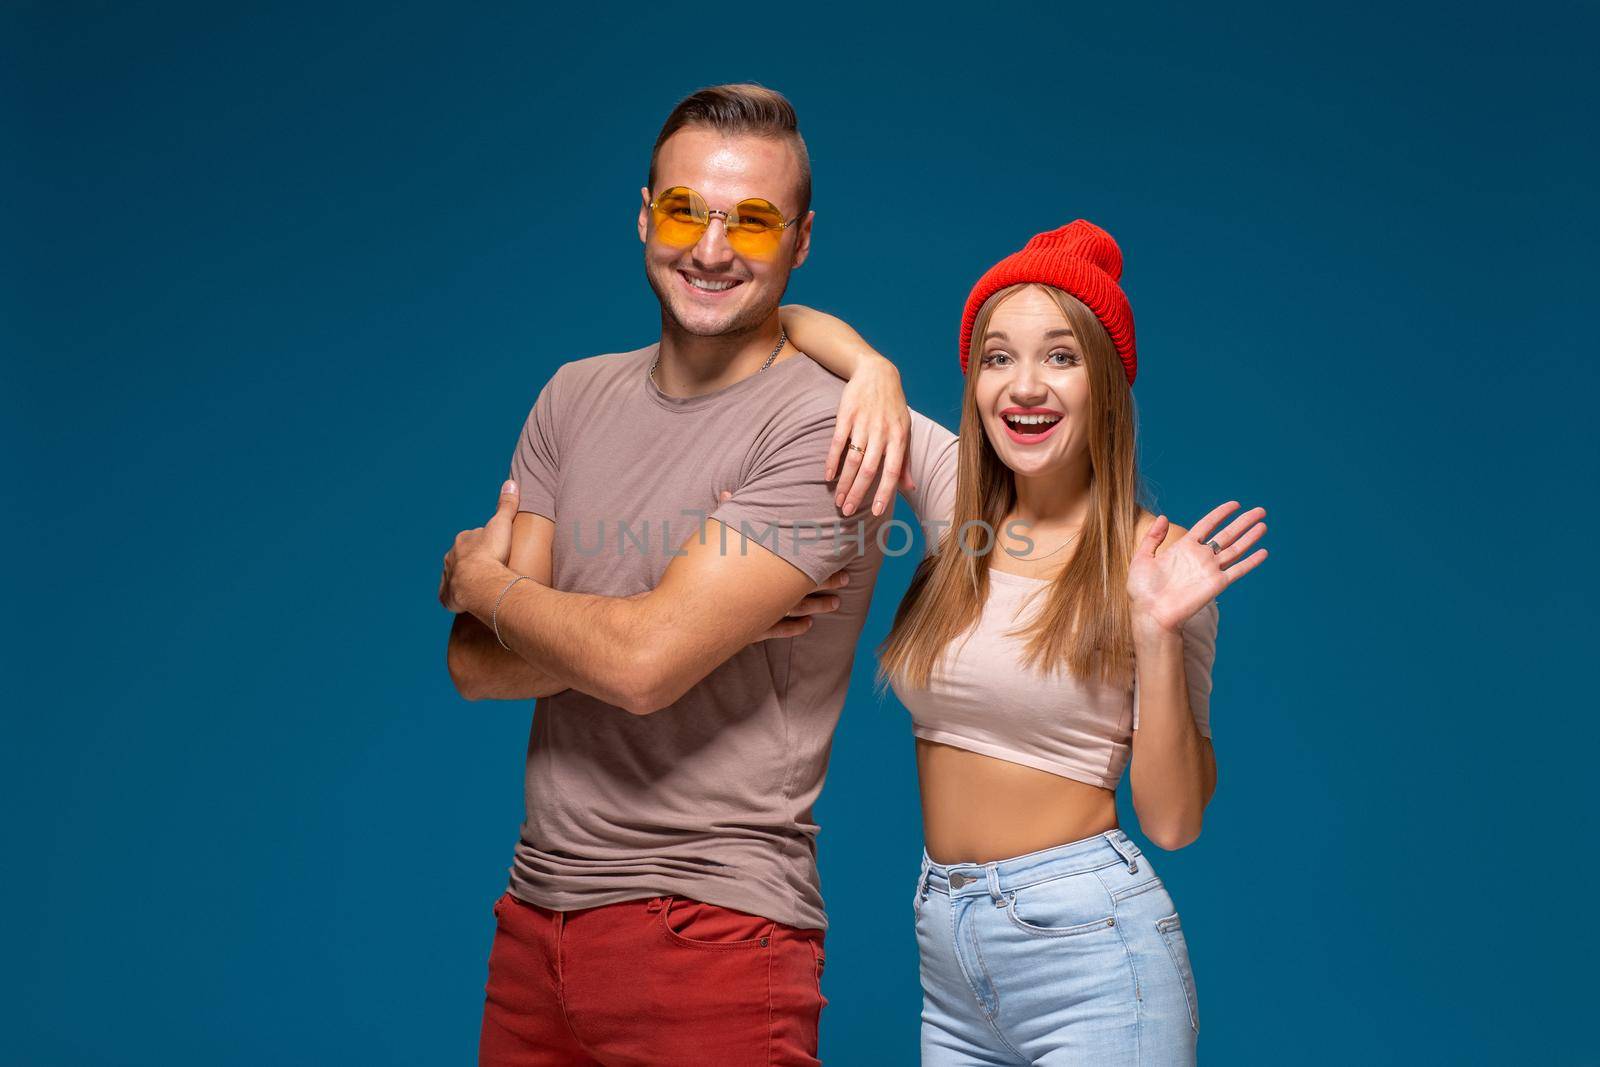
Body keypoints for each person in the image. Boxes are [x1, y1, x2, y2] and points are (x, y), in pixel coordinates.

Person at [437, 83, 900, 1066]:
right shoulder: (571, 395)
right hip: (533, 920)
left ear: (802, 240)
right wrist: (633, 632)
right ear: (645, 214)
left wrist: (489, 586)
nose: (712, 249)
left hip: (713, 934)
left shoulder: (823, 427)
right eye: (686, 210)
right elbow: (476, 665)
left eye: (754, 221)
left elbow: (640, 666)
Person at [779, 219, 1269, 1063]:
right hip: (950, 959)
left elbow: (1176, 820)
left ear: (1106, 383)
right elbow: (787, 324)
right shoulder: (951, 500)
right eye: (997, 357)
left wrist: (1156, 630)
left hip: (1097, 953)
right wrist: (877, 371)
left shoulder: (1159, 564)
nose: (1025, 386)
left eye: (1061, 356)